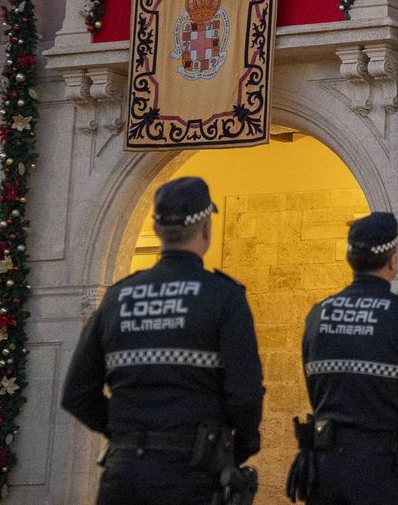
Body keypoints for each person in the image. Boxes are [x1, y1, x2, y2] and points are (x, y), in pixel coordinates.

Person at [61, 176, 264, 505]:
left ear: (156, 231)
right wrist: (238, 447)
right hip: (193, 475)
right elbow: (245, 394)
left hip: (123, 475)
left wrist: (124, 433)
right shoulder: (223, 296)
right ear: (206, 230)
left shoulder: (118, 297)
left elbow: (76, 395)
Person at [291, 211, 398, 505]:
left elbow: (315, 388)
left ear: (351, 260)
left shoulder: (319, 315)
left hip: (326, 469)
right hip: (385, 471)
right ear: (391, 260)